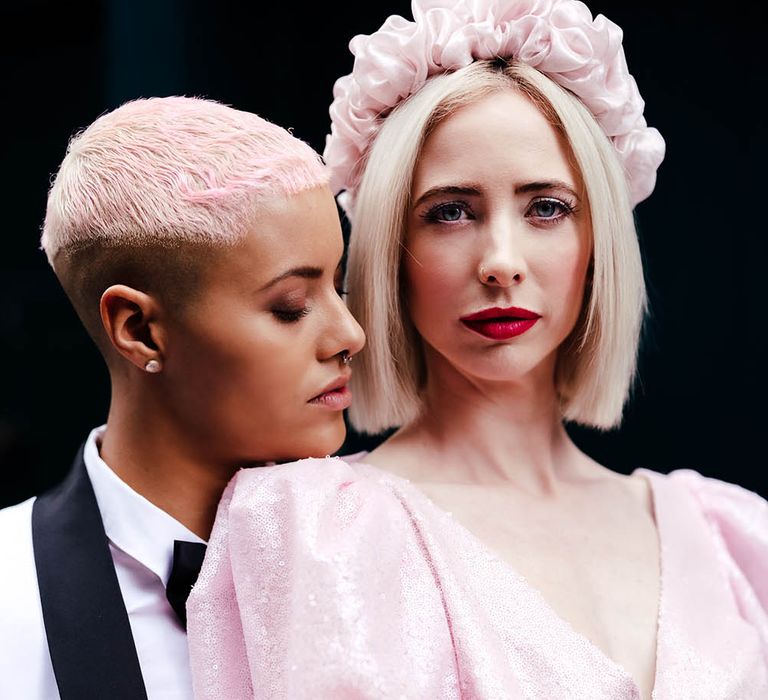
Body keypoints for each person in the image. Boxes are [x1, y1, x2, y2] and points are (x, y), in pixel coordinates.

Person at [186, 1, 768, 698]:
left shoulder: (736, 539)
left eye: (546, 207)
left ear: (599, 240)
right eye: (450, 212)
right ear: (391, 249)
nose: (500, 261)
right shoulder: (313, 529)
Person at [0, 96, 365, 699]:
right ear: (138, 329)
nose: (350, 335)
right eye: (291, 307)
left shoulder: (399, 551)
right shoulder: (10, 594)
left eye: (340, 285)